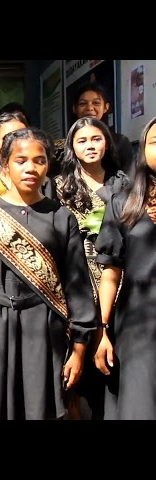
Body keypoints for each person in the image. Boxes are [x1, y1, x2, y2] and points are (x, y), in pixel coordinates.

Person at [0, 127, 98, 420]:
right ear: (6, 164)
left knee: (42, 409)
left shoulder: (61, 218)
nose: (30, 168)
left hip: (45, 328)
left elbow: (78, 284)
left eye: (39, 160)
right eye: (21, 160)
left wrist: (80, 346)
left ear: (48, 165)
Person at [53, 116, 128, 420]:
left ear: (107, 142)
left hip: (118, 282)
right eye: (82, 140)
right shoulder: (59, 188)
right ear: (72, 147)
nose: (90, 146)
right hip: (76, 282)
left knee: (113, 367)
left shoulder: (123, 185)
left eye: (96, 138)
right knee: (75, 376)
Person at [93, 116, 156, 420]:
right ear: (143, 150)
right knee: (139, 404)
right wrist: (103, 330)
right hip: (137, 323)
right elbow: (110, 273)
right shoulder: (123, 203)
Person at [52, 82, 134, 179]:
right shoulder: (61, 148)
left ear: (105, 107)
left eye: (96, 103)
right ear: (74, 108)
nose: (90, 108)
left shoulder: (120, 142)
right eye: (83, 103)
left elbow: (130, 179)